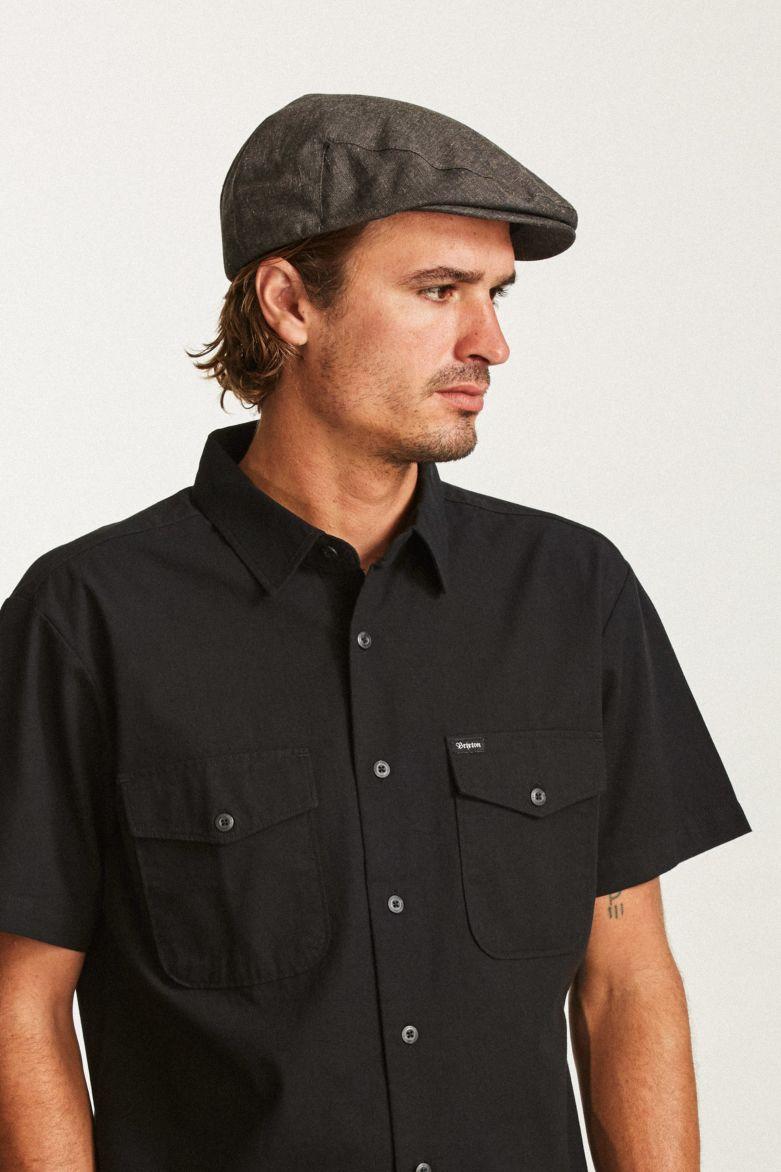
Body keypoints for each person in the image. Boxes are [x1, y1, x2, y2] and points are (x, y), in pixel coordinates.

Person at [0, 93, 752, 1171]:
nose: (489, 341)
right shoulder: (86, 618)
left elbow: (625, 979)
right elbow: (19, 1005)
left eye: (494, 293)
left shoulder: (572, 593)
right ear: (289, 302)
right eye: (438, 291)